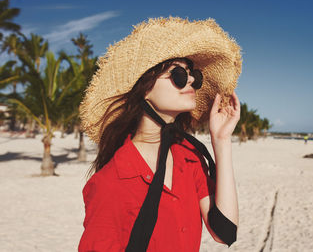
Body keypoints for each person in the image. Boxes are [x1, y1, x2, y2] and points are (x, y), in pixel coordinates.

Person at [78, 16, 242, 252]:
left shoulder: (190, 156)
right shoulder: (111, 181)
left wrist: (221, 140)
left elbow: (224, 231)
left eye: (192, 74)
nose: (191, 80)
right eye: (178, 75)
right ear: (144, 88)